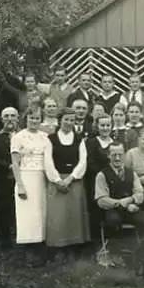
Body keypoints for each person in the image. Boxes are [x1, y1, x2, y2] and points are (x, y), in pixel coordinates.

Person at [44, 108, 91, 254]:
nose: (69, 123)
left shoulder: (79, 139)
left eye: (72, 120)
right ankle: (58, 248)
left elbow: (83, 161)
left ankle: (74, 247)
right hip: (56, 182)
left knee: (74, 214)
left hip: (74, 181)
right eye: (66, 119)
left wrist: (70, 178)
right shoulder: (50, 139)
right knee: (58, 215)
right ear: (60, 120)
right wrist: (58, 180)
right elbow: (48, 161)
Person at [95, 141, 144, 246]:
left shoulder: (131, 173)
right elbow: (101, 200)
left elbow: (140, 194)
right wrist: (120, 203)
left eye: (120, 155)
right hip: (112, 210)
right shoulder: (102, 175)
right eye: (114, 155)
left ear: (125, 155)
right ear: (108, 155)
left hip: (131, 208)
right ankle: (112, 253)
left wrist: (130, 200)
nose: (117, 158)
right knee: (112, 222)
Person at [10, 104, 49, 246]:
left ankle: (41, 244)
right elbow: (15, 163)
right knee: (27, 214)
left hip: (42, 177)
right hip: (25, 177)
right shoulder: (18, 137)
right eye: (31, 118)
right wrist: (20, 185)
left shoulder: (45, 136)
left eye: (37, 118)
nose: (34, 121)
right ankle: (28, 248)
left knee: (41, 213)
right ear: (26, 118)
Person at [0, 107, 19, 248]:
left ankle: (23, 238)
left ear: (17, 118)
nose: (10, 119)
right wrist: (8, 166)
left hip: (23, 177)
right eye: (6, 116)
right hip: (4, 178)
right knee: (3, 209)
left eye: (12, 116)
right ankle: (5, 241)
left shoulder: (23, 136)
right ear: (2, 119)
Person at [85, 113, 114, 237]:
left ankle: (110, 241)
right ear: (97, 126)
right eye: (102, 125)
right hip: (95, 181)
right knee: (96, 212)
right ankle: (96, 243)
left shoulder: (115, 142)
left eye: (108, 125)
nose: (105, 128)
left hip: (112, 182)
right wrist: (104, 175)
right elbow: (90, 163)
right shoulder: (91, 142)